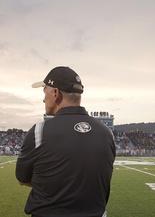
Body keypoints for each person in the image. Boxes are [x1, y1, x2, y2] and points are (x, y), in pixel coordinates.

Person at [16, 66, 116, 217]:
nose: (43, 98)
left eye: (45, 92)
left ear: (55, 93)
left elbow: (22, 178)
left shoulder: (39, 131)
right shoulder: (106, 132)